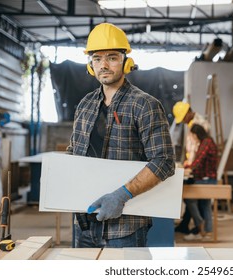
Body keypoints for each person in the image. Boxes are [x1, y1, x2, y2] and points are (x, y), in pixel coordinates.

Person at [66, 23, 175, 248]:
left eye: (112, 57)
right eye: (97, 58)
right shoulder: (85, 105)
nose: (103, 65)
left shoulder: (145, 105)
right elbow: (74, 153)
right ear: (90, 65)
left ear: (126, 62)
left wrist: (122, 195)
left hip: (125, 228)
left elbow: (164, 161)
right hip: (83, 225)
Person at [172, 101, 211, 234]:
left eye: (183, 118)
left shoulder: (199, 124)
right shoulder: (191, 123)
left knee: (192, 198)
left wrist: (191, 165)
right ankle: (187, 224)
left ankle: (198, 226)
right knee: (189, 197)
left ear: (188, 113)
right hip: (193, 165)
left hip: (199, 169)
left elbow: (199, 149)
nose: (182, 121)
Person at [183, 124, 218, 241]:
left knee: (191, 199)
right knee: (203, 204)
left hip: (206, 179)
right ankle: (203, 230)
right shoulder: (206, 142)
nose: (192, 138)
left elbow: (199, 160)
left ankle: (202, 227)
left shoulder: (206, 143)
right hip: (205, 178)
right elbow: (198, 161)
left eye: (192, 136)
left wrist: (189, 169)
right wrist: (189, 166)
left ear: (196, 134)